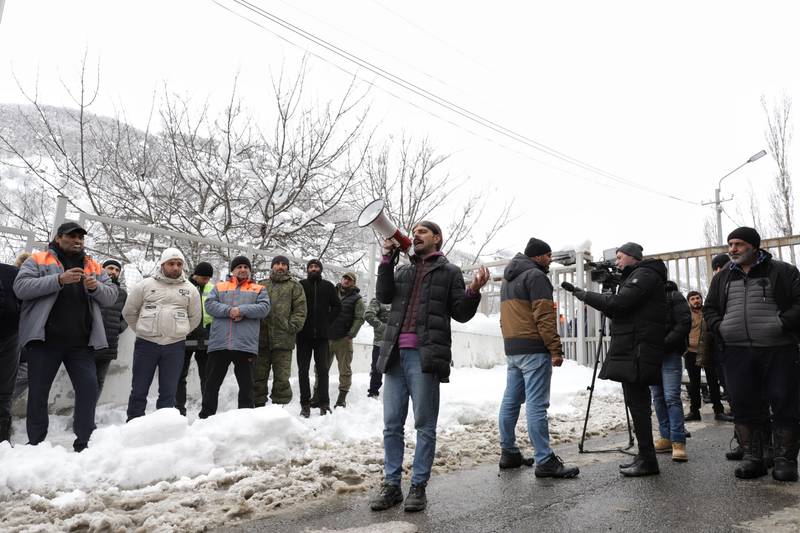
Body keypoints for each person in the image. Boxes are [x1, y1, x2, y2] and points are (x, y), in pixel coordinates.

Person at [369, 221, 489, 513]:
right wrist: (386, 259)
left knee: (424, 425)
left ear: (437, 238)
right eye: (415, 232)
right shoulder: (403, 270)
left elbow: (460, 313)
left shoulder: (449, 272)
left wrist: (473, 291)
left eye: (423, 231)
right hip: (395, 356)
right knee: (392, 425)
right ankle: (392, 485)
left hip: (425, 356)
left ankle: (418, 486)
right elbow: (383, 296)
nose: (416, 235)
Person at [563, 242, 667, 477]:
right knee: (635, 403)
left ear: (633, 257)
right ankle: (645, 455)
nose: (617, 262)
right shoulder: (636, 277)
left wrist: (585, 295)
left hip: (638, 348)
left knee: (638, 405)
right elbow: (619, 310)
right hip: (633, 347)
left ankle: (648, 460)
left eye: (620, 257)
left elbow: (620, 304)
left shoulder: (645, 275)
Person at [703, 227, 800, 481]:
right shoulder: (723, 277)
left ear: (754, 246)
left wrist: (781, 323)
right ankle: (753, 458)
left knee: (784, 402)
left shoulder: (782, 271)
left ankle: (785, 461)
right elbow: (710, 308)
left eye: (738, 244)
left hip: (777, 350)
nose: (732, 249)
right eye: (730, 244)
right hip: (737, 351)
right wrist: (720, 327)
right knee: (744, 404)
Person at [14, 221, 117, 451]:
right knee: (38, 393)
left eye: (81, 237)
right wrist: (59, 280)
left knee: (88, 390)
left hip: (81, 344)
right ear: (58, 238)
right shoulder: (38, 259)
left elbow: (111, 296)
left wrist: (95, 287)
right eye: (71, 236)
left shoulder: (93, 265)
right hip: (44, 342)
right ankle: (36, 444)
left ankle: (84, 442)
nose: (77, 240)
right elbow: (21, 288)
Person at [497, 238, 579, 477]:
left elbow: (504, 317)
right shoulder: (536, 276)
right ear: (538, 256)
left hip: (514, 348)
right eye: (548, 255)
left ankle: (509, 452)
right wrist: (555, 348)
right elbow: (544, 316)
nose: (550, 260)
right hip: (534, 348)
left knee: (511, 401)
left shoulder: (508, 278)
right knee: (536, 404)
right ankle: (544, 460)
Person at [122, 248, 201, 421]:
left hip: (175, 346)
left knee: (168, 392)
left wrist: (178, 332)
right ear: (163, 264)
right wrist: (143, 330)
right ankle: (134, 423)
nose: (175, 267)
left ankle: (163, 427)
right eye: (171, 263)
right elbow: (129, 312)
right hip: (146, 345)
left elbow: (195, 318)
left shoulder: (190, 289)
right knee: (139, 389)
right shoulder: (145, 285)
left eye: (179, 264)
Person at [200, 256, 270, 418]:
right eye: (239, 267)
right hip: (220, 343)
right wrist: (229, 311)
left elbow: (264, 308)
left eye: (246, 267)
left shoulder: (259, 289)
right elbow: (209, 305)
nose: (243, 269)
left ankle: (245, 419)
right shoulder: (219, 287)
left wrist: (241, 310)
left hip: (245, 345)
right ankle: (205, 417)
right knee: (211, 384)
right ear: (233, 270)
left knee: (247, 387)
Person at [255, 255, 306, 412]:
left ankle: (279, 411)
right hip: (261, 340)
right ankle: (257, 409)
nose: (280, 266)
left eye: (284, 264)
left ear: (287, 267)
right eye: (277, 263)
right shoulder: (261, 285)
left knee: (282, 380)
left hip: (284, 341)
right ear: (272, 266)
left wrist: (291, 327)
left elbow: (300, 310)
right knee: (257, 377)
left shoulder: (295, 286)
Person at [651, 280, 691, 462]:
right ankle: (665, 437)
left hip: (670, 353)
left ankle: (678, 441)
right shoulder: (646, 298)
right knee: (658, 397)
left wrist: (665, 343)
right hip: (652, 355)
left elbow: (683, 323)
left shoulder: (673, 295)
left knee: (671, 397)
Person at [297, 259, 340, 416]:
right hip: (303, 336)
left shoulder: (328, 286)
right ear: (307, 269)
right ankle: (305, 404)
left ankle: (324, 403)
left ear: (320, 270)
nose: (313, 269)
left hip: (322, 337)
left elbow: (337, 306)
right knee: (303, 371)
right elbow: (294, 305)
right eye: (311, 267)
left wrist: (327, 322)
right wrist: (298, 323)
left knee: (323, 370)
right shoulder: (300, 285)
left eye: (316, 267)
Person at [684, 289, 731, 422]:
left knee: (713, 382)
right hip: (691, 352)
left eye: (698, 298)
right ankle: (694, 411)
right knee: (694, 384)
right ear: (689, 302)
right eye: (693, 299)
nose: (696, 301)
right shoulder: (686, 315)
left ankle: (718, 410)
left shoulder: (708, 313)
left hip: (709, 351)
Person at [176, 261, 215, 416]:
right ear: (196, 275)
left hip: (206, 340)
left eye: (208, 278)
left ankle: (207, 413)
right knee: (180, 376)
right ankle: (179, 411)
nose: (206, 281)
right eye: (204, 278)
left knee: (207, 378)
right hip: (185, 339)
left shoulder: (212, 288)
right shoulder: (184, 287)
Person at [323, 272, 364, 408]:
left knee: (344, 370)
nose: (346, 281)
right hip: (327, 338)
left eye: (349, 280)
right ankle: (318, 394)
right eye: (345, 278)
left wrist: (351, 334)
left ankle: (342, 398)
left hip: (343, 340)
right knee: (321, 368)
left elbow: (359, 318)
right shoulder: (331, 293)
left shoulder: (357, 299)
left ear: (353, 282)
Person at [94, 259, 128, 399]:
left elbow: (127, 316)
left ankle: (90, 410)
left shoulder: (122, 294)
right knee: (85, 380)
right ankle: (82, 410)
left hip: (109, 343)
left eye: (117, 270)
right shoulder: (93, 286)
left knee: (99, 380)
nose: (113, 271)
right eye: (110, 268)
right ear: (102, 269)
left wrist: (118, 327)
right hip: (89, 342)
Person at [0, 258, 20, 443]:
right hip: (11, 336)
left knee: (4, 393)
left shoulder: (11, 273)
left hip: (9, 338)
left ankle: (2, 441)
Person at [364, 296, 391, 399]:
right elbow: (368, 315)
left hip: (397, 342)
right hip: (381, 342)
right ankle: (373, 392)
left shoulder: (400, 300)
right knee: (377, 368)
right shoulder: (378, 300)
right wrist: (382, 327)